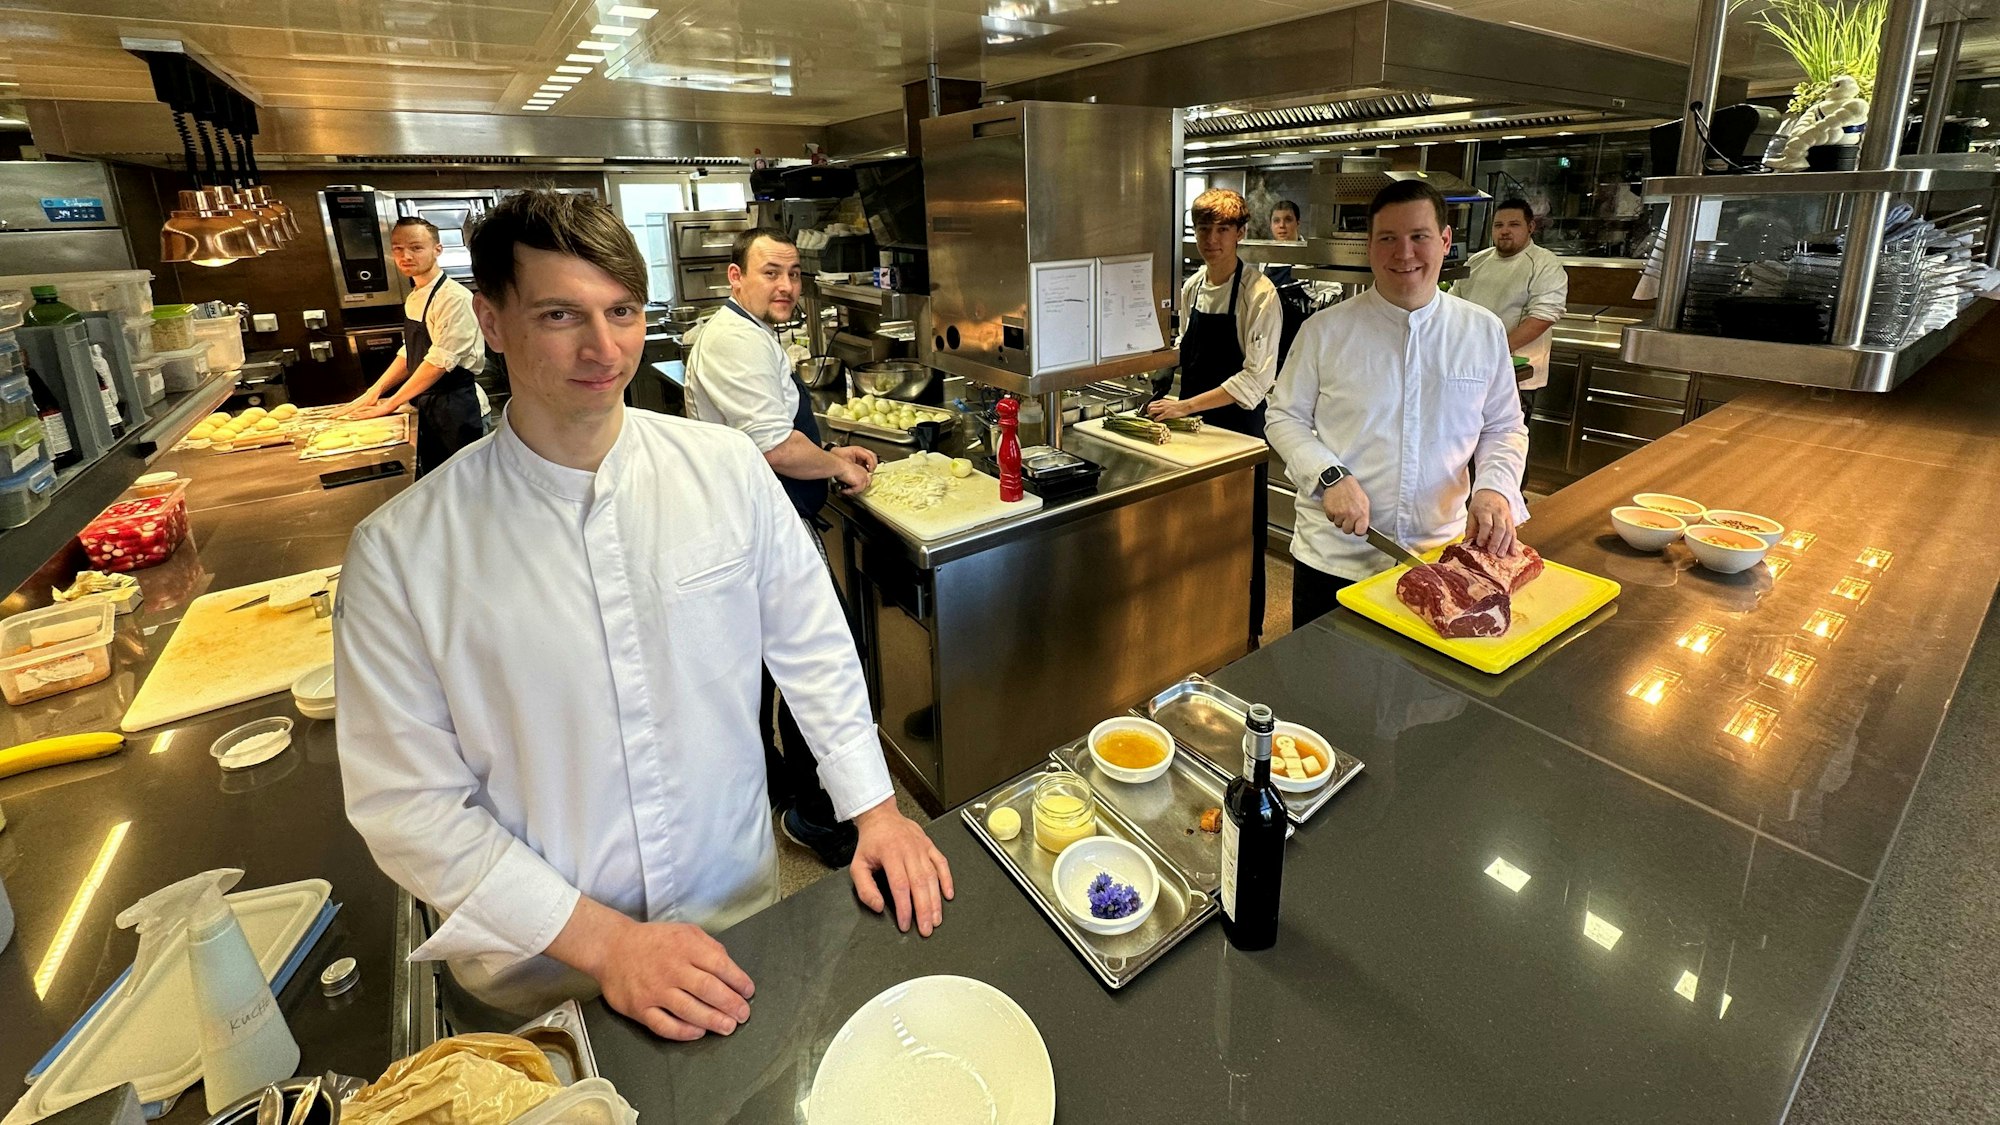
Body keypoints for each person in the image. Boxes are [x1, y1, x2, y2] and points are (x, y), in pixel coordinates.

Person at [335, 189, 950, 1034]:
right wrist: (609, 944)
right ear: (494, 318)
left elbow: (811, 645)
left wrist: (875, 808)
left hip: (737, 922)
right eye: (560, 313)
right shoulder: (402, 552)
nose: (603, 347)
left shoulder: (726, 470)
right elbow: (410, 805)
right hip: (544, 977)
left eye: (622, 310)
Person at [684, 227, 878, 869]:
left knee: (765, 665)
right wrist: (836, 468)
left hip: (759, 520)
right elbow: (773, 445)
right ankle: (814, 812)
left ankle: (777, 782)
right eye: (771, 272)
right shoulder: (735, 340)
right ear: (736, 278)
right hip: (759, 531)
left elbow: (784, 431)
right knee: (822, 658)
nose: (787, 286)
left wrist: (830, 456)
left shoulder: (753, 333)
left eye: (794, 274)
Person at [1266, 180, 1529, 630]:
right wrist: (1329, 475)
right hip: (1335, 558)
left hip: (1439, 558)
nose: (1403, 253)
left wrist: (1494, 488)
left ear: (1444, 241)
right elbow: (1283, 415)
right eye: (1387, 238)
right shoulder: (1324, 332)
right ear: (1369, 246)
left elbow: (1503, 425)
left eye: (1419, 237)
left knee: (1424, 696)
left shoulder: (1481, 332)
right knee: (1322, 691)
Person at [337, 216, 488, 477]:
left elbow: (438, 361)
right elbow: (411, 351)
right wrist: (375, 391)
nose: (405, 255)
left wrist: (392, 402)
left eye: (416, 248)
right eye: (398, 249)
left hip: (457, 408)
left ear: (437, 250)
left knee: (466, 487)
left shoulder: (454, 298)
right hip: (428, 404)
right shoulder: (416, 295)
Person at [1147, 189, 1281, 437]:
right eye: (1204, 229)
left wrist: (1185, 406)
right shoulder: (1193, 287)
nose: (1211, 239)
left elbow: (1256, 379)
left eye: (1222, 230)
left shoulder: (1259, 294)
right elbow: (1187, 340)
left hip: (1238, 430)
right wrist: (1168, 362)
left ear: (1240, 233)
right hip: (1192, 426)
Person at [1450, 198, 1568, 428]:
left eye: (1513, 225)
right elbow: (1455, 305)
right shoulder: (1478, 261)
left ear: (1530, 227)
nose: (1504, 231)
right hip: (1471, 371)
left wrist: (1496, 352)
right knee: (1466, 444)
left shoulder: (1545, 264)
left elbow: (1542, 316)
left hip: (1515, 375)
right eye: (1498, 225)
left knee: (1507, 447)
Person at [1264, 199, 1303, 287]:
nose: (1282, 225)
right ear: (1271, 225)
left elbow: (1330, 292)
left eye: (1288, 220)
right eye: (1276, 221)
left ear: (1298, 223)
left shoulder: (1310, 255)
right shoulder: (1266, 256)